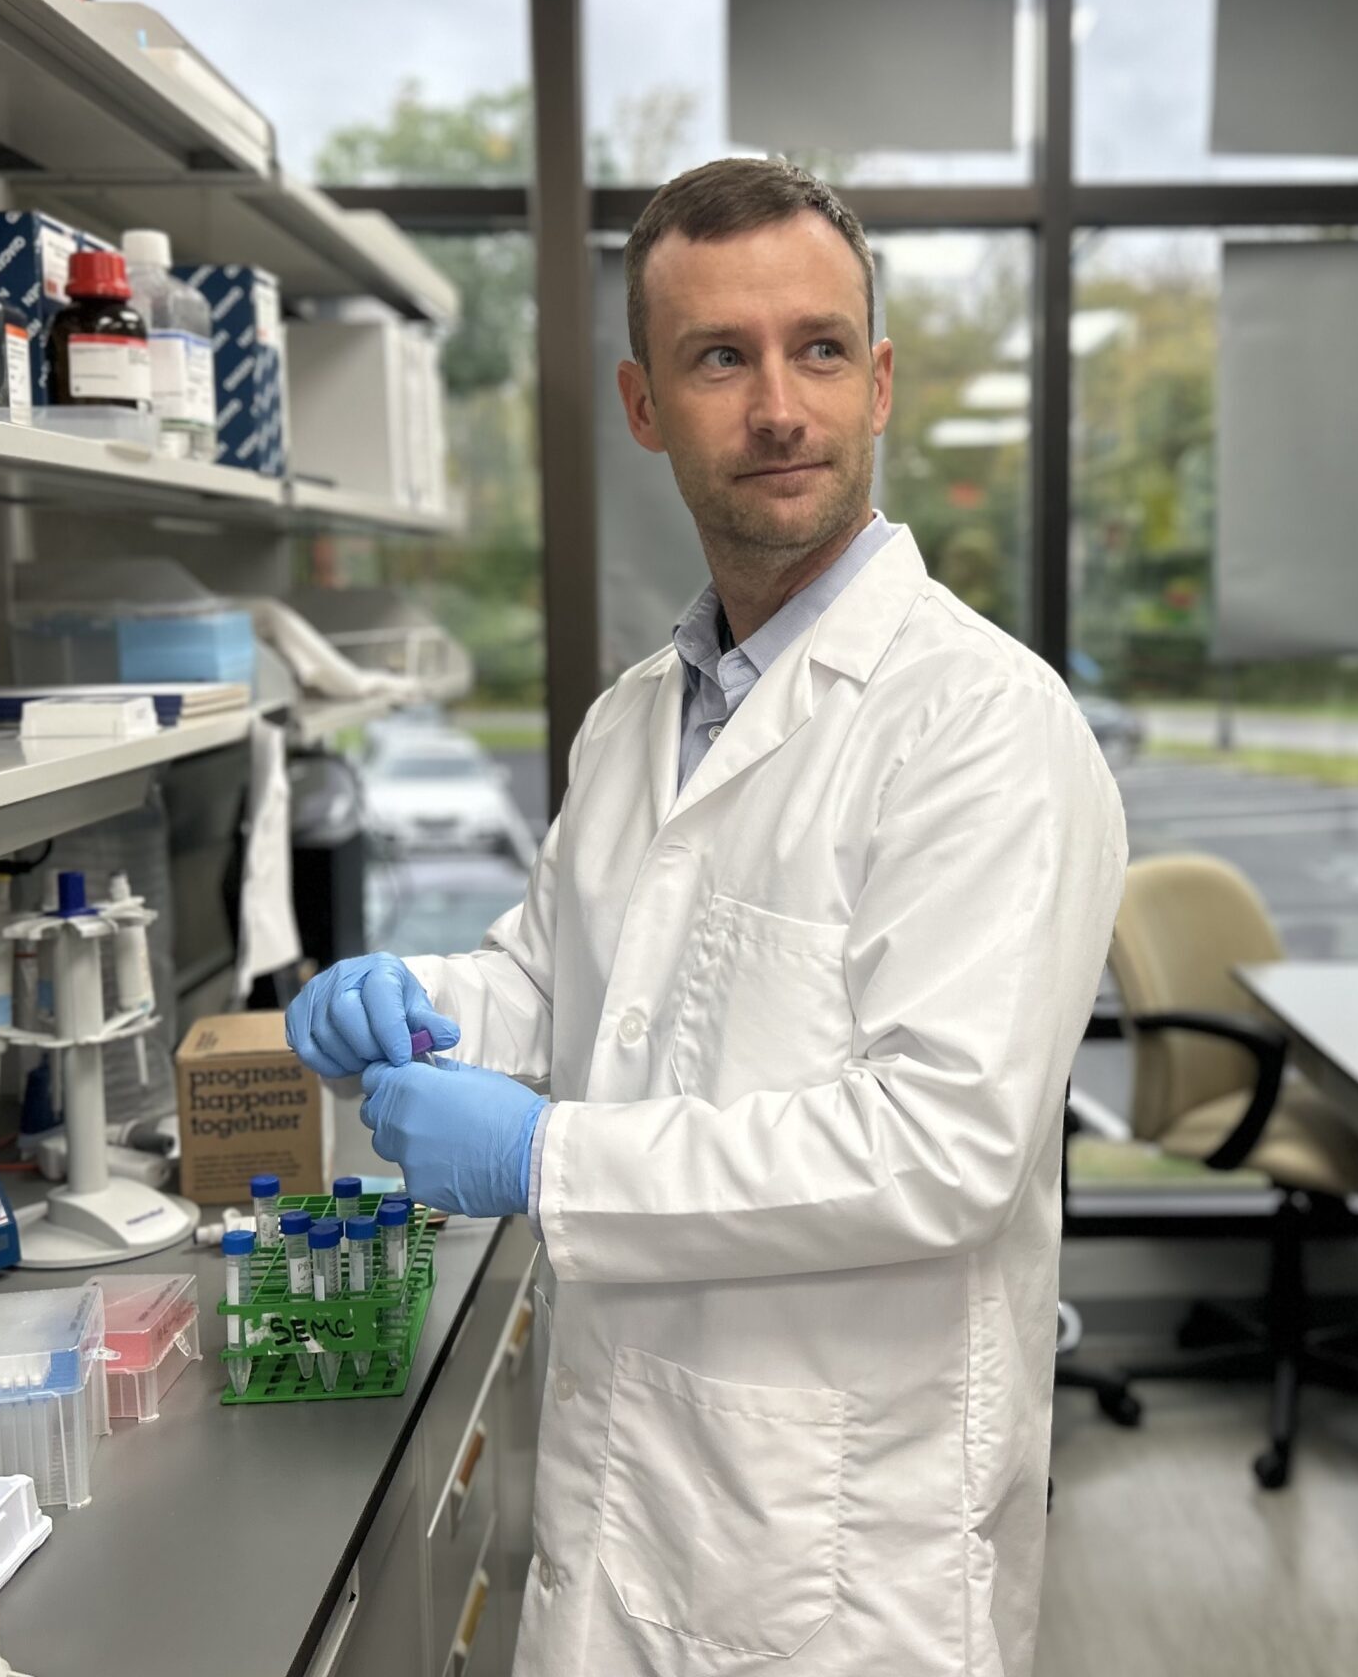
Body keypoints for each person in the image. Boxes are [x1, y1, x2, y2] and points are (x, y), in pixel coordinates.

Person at [284, 157, 1128, 1677]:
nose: (779, 408)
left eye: (817, 351)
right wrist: (413, 1003)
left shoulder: (984, 727)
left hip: (849, 1555)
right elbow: (556, 986)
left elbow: (944, 1149)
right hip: (630, 1495)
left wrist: (545, 1156)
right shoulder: (631, 722)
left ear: (878, 384)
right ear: (644, 402)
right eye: (720, 358)